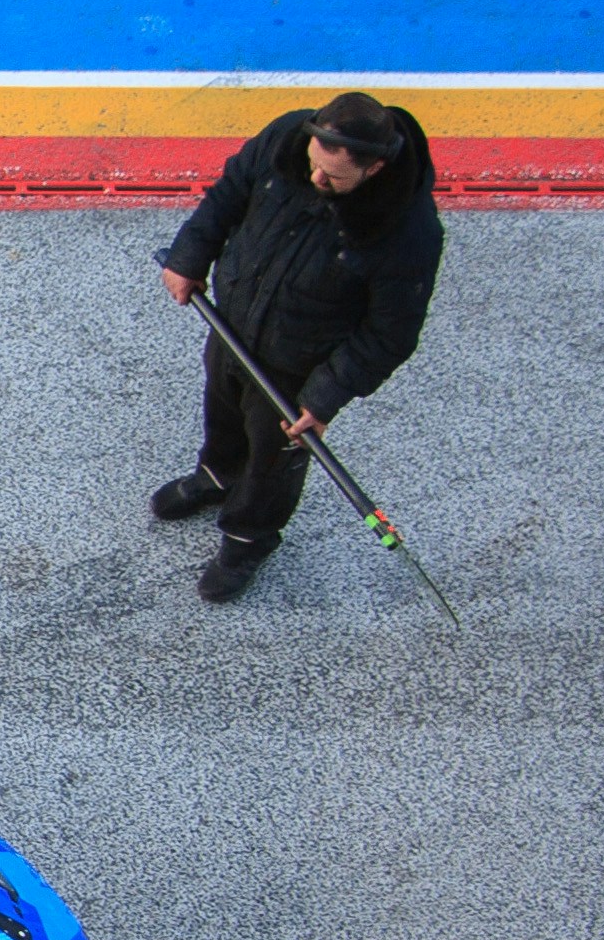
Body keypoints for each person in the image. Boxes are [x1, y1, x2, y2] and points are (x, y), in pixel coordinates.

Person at [150, 91, 444, 603]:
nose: (316, 180)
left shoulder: (408, 233)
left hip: (298, 366)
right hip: (232, 322)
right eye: (313, 165)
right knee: (221, 409)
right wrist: (190, 255)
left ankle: (247, 540)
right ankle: (217, 476)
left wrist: (325, 396)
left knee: (274, 458)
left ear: (374, 169)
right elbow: (229, 193)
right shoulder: (287, 139)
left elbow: (390, 334)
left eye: (334, 178)